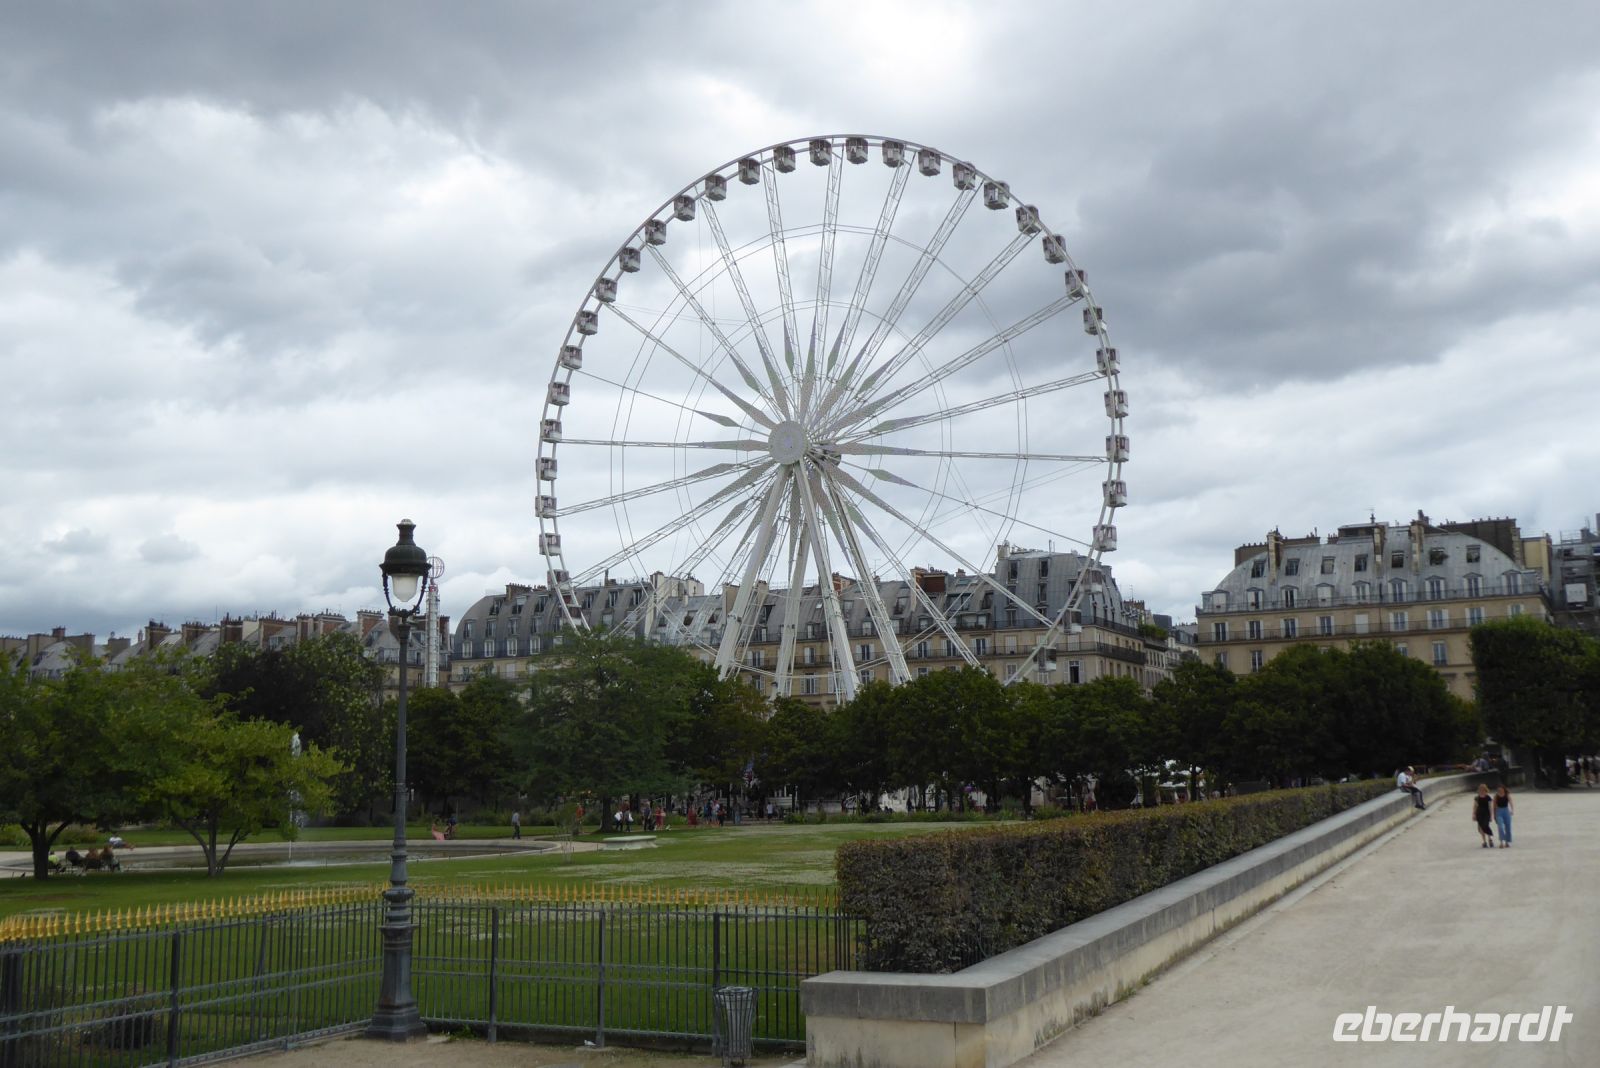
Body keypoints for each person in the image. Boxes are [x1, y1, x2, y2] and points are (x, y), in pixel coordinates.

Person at [1472, 784, 1495, 848]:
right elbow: (1475, 806)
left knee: (1486, 826)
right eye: (1480, 790)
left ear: (1485, 790)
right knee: (1481, 828)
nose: (1481, 791)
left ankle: (1490, 839)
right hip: (1479, 814)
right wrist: (1473, 814)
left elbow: (1490, 807)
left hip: (1486, 814)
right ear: (1479, 790)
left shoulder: (1488, 797)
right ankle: (1484, 842)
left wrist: (1491, 816)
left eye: (1483, 790)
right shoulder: (1477, 798)